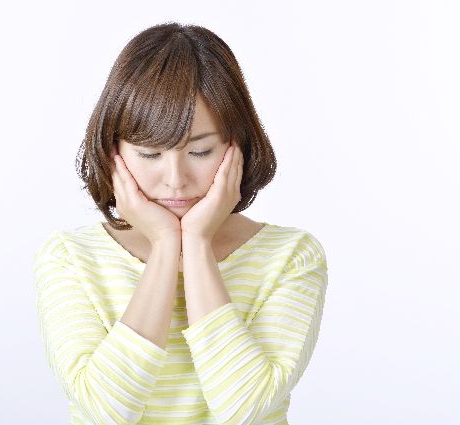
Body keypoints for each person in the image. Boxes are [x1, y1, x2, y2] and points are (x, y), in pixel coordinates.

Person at [33, 22, 329, 425]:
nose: (175, 179)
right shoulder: (70, 259)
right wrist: (165, 247)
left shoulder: (290, 257)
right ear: (113, 151)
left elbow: (243, 410)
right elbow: (106, 412)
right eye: (149, 154)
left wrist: (197, 244)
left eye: (200, 151)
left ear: (237, 147)